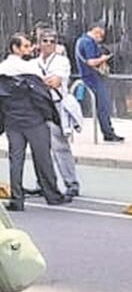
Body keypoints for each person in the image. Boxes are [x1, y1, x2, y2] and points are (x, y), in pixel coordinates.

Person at [0, 33, 70, 210]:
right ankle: (52, 195)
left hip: (12, 121)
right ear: (15, 48)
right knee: (43, 158)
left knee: (16, 159)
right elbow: (42, 97)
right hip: (34, 120)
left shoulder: (2, 70)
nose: (29, 49)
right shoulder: (31, 70)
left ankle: (17, 199)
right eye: (24, 46)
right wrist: (49, 115)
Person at [36, 29, 80, 198]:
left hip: (55, 105)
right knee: (40, 147)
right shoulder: (34, 63)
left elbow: (55, 81)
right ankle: (45, 182)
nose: (48, 44)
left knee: (60, 146)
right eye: (45, 41)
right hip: (39, 106)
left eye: (52, 41)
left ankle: (71, 182)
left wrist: (40, 83)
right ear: (39, 43)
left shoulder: (62, 61)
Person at [74, 21, 123, 143]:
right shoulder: (88, 42)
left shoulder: (81, 41)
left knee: (102, 105)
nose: (101, 38)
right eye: (100, 35)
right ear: (96, 30)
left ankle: (108, 132)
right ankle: (108, 133)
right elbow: (91, 61)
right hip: (93, 77)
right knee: (103, 106)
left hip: (89, 76)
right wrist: (104, 58)